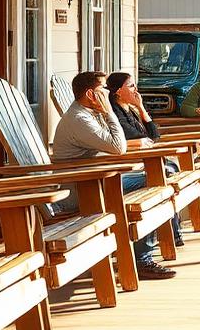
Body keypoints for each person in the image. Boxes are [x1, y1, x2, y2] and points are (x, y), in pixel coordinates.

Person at [55, 71, 175, 279]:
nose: (108, 93)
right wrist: (109, 111)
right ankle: (141, 260)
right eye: (103, 90)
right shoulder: (79, 118)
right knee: (154, 178)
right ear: (91, 94)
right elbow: (118, 147)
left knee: (161, 174)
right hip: (82, 190)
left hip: (98, 180)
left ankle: (143, 255)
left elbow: (114, 146)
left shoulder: (89, 113)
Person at [106, 71, 184, 248]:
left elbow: (154, 136)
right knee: (166, 173)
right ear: (118, 91)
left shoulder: (130, 109)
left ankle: (173, 231)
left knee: (171, 168)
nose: (136, 90)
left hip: (141, 161)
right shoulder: (115, 113)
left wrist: (140, 108)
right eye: (132, 86)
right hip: (128, 165)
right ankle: (172, 233)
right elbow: (137, 137)